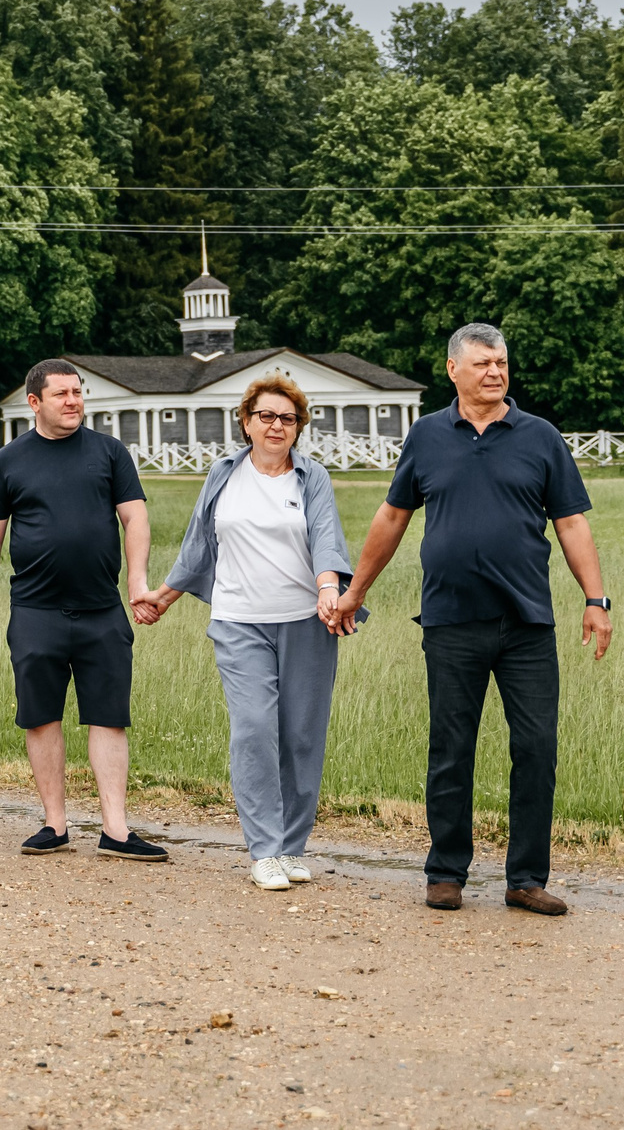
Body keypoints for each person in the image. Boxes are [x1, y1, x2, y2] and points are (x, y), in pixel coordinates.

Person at [332, 322, 611, 915]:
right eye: (483, 363)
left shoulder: (539, 437)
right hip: (452, 622)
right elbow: (392, 519)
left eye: (502, 362)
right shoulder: (428, 436)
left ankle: (526, 878)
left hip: (527, 623)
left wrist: (596, 598)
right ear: (453, 368)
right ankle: (445, 872)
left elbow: (571, 523)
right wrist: (355, 591)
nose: (495, 372)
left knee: (536, 748)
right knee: (451, 748)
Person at [142, 374, 352, 890]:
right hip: (238, 621)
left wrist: (330, 589)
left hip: (307, 622)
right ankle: (263, 850)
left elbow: (326, 537)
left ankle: (291, 847)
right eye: (267, 416)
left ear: (298, 427)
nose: (277, 425)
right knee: (255, 729)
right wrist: (163, 598)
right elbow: (197, 543)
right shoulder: (223, 474)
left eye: (288, 418)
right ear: (246, 421)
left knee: (301, 736)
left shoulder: (312, 477)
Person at [0, 359, 167, 862]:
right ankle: (54, 824)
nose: (74, 401)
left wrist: (137, 582)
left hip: (102, 610)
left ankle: (116, 830)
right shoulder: (7, 462)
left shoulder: (110, 452)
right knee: (41, 716)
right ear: (34, 402)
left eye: (78, 392)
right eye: (62, 394)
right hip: (36, 611)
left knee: (108, 716)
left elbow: (135, 518)